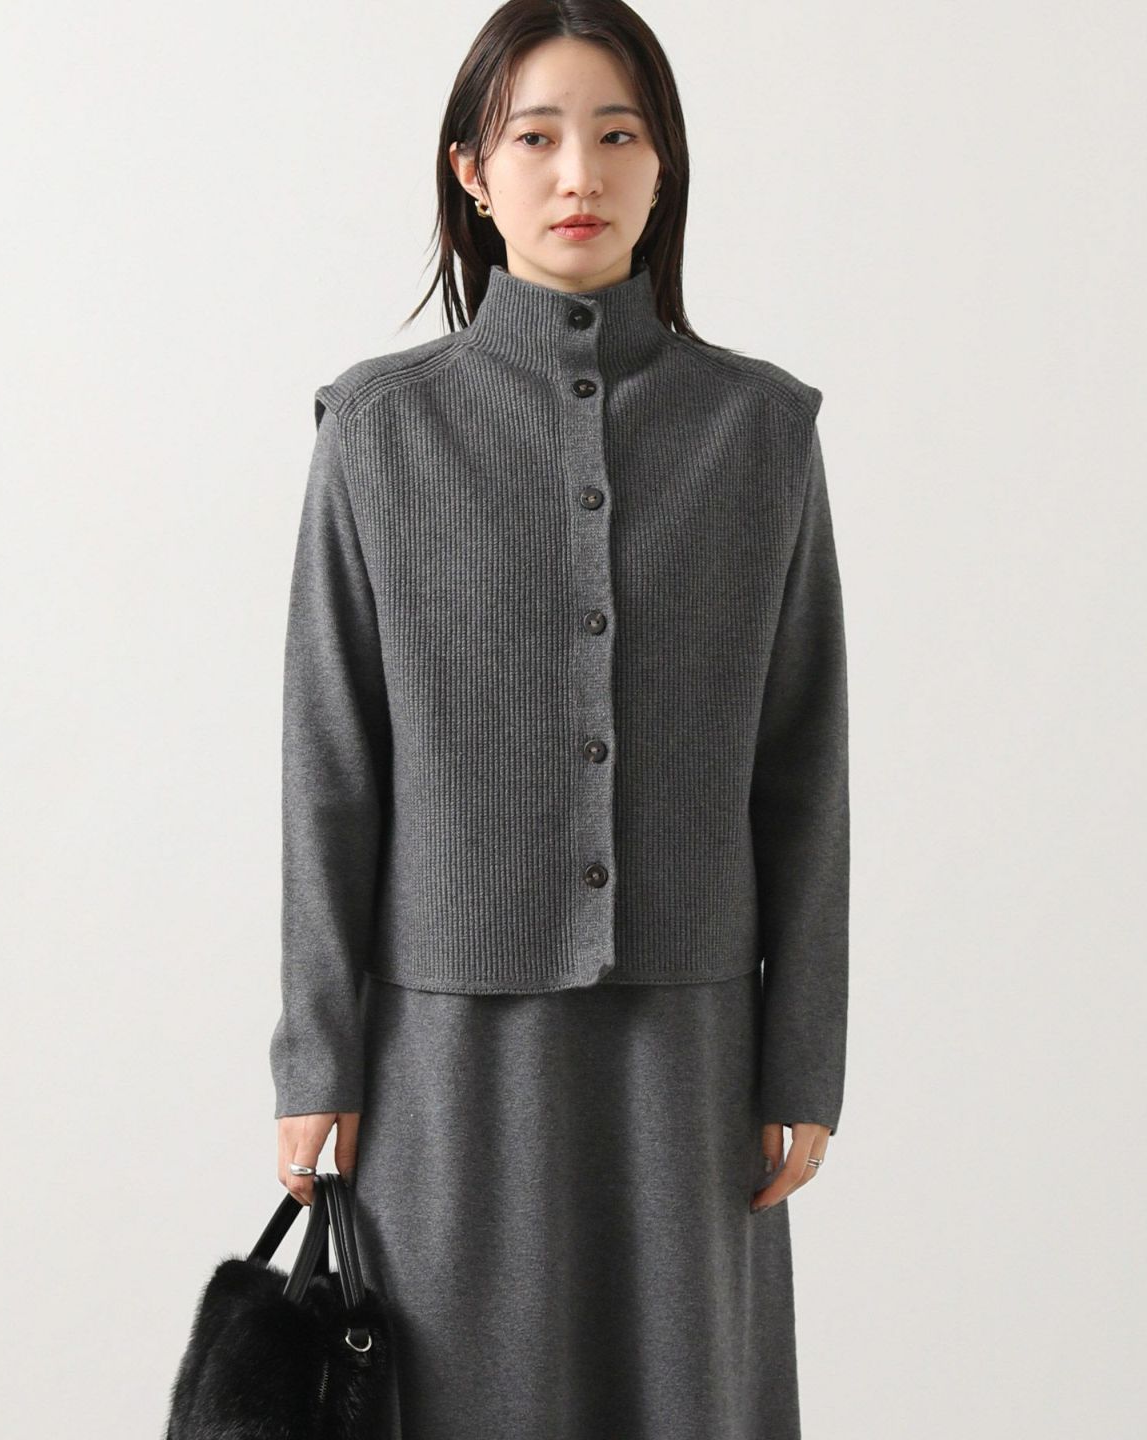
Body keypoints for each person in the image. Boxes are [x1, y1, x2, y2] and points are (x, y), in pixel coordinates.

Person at [269, 2, 849, 1435]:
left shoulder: (761, 434)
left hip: (692, 1056)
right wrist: (316, 1055)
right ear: (473, 171)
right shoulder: (378, 432)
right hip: (444, 1066)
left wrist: (803, 1056)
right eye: (534, 138)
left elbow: (803, 772)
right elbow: (331, 769)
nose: (579, 174)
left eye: (617, 134)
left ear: (665, 165)